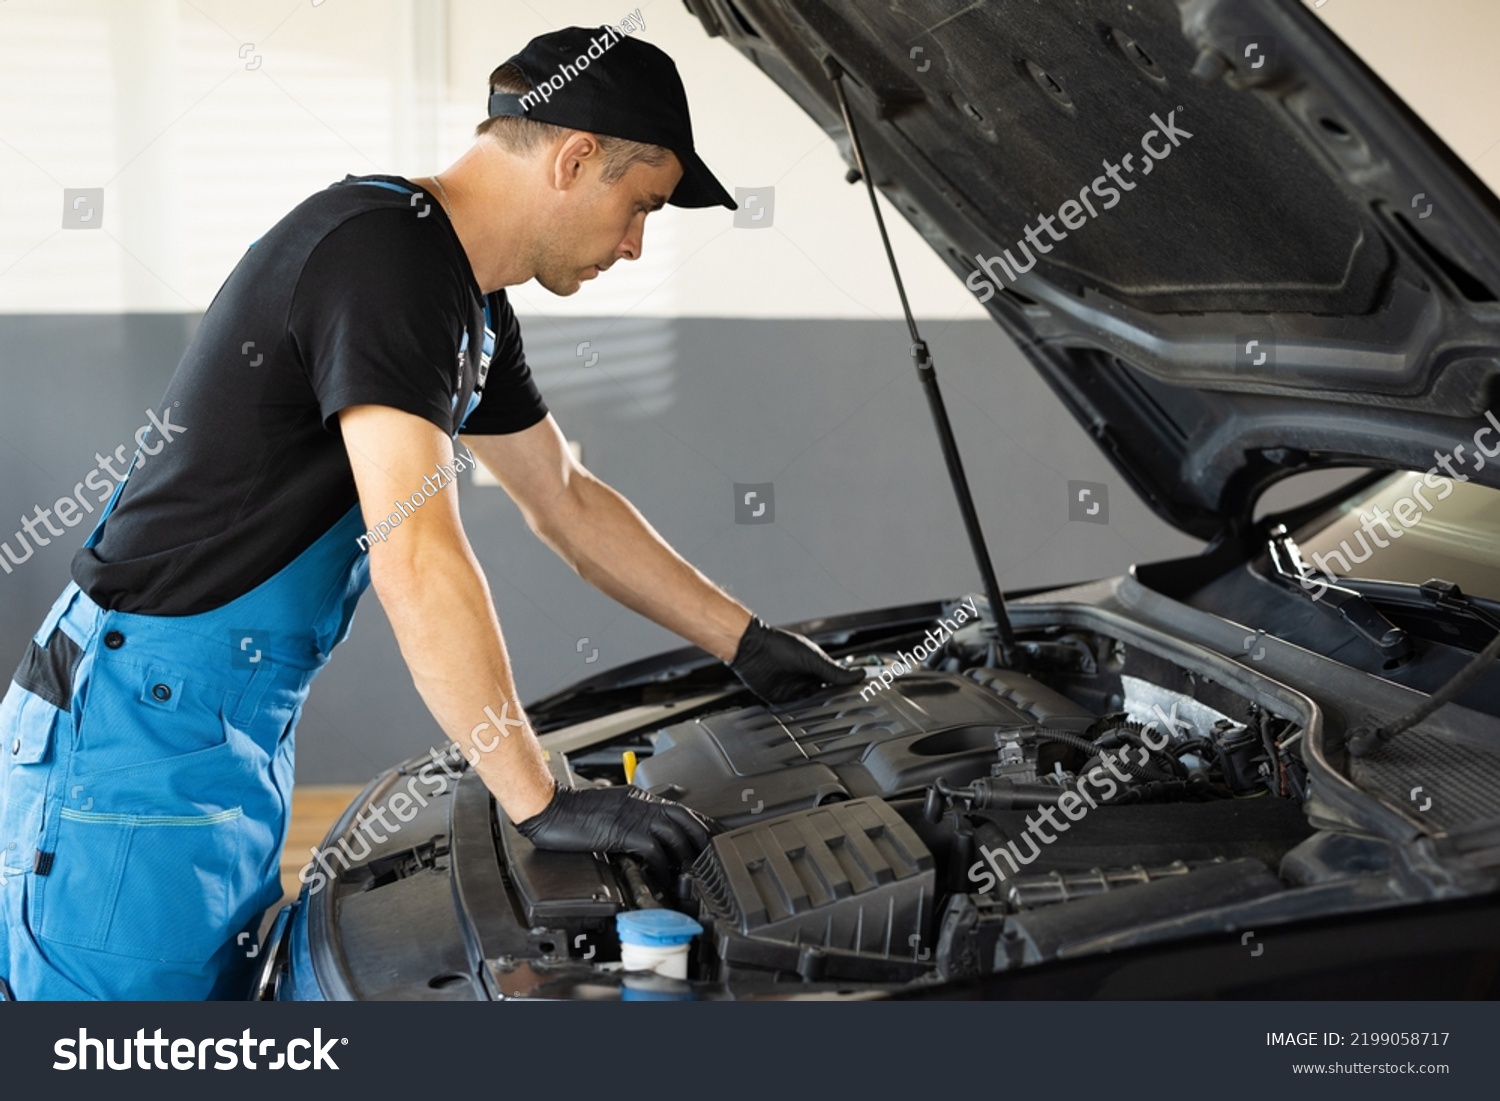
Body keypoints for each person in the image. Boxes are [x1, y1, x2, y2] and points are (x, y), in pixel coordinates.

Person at [0, 25, 862, 1001]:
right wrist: (537, 800)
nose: (633, 244)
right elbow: (417, 550)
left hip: (209, 728)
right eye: (640, 208)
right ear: (575, 159)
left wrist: (745, 642)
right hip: (133, 734)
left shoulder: (467, 302)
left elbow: (565, 499)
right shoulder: (386, 262)